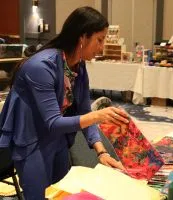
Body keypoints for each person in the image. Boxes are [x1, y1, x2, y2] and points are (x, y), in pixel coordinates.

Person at [0, 6, 129, 199]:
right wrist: (98, 115)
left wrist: (101, 152)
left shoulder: (77, 65)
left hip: (57, 138)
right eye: (99, 40)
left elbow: (83, 109)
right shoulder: (40, 66)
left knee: (62, 193)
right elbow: (53, 121)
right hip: (31, 140)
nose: (102, 47)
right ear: (82, 37)